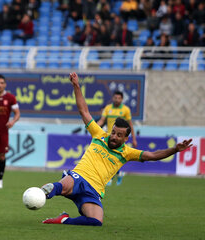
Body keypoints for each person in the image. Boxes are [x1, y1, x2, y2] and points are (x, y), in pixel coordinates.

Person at [40, 72, 192, 226]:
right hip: (79, 177)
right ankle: (43, 192)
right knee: (62, 186)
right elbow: (84, 111)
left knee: (95, 221)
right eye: (113, 132)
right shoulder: (99, 134)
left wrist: (174, 149)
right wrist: (76, 86)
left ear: (126, 139)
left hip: (93, 191)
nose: (113, 137)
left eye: (119, 135)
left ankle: (64, 220)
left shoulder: (127, 153)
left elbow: (152, 155)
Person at [97, 90, 137, 185]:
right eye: (115, 98)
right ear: (113, 98)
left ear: (122, 99)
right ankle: (118, 174)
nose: (117, 99)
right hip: (109, 137)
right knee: (107, 157)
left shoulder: (126, 110)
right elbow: (102, 121)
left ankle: (110, 178)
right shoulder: (108, 108)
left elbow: (130, 125)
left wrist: (134, 139)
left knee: (114, 157)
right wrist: (94, 127)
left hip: (120, 139)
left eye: (119, 98)